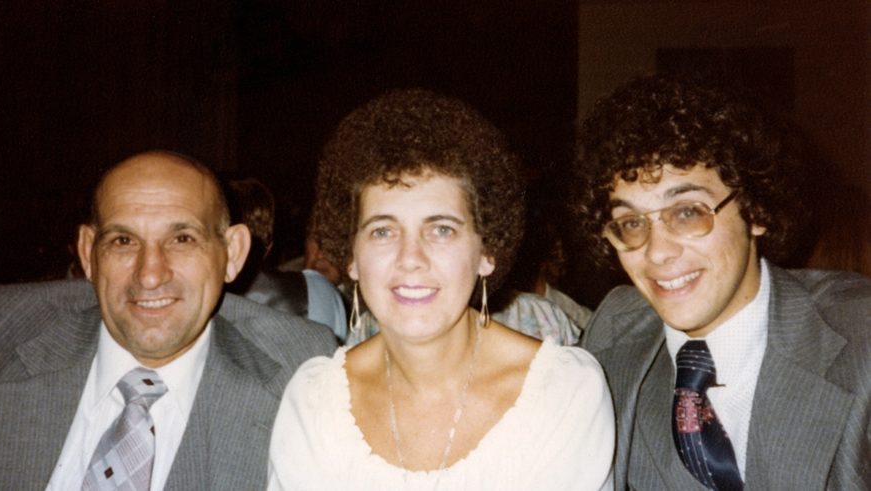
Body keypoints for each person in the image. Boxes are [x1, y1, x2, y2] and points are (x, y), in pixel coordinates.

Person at [268, 89, 614, 490]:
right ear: (352, 258)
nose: (410, 257)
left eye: (441, 229)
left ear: (487, 251)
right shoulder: (316, 401)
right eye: (383, 230)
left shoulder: (563, 393)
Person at [0, 151, 337, 490]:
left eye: (181, 238)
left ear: (232, 254)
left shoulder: (301, 374)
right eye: (123, 241)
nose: (149, 275)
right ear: (87, 253)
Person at [574, 74, 871, 490]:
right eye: (632, 222)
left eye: (687, 212)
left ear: (757, 210)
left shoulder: (860, 337)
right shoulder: (613, 336)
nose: (657, 252)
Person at [225, 177, 348, 342]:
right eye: (315, 239)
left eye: (332, 241)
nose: (321, 253)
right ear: (270, 246)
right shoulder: (317, 290)